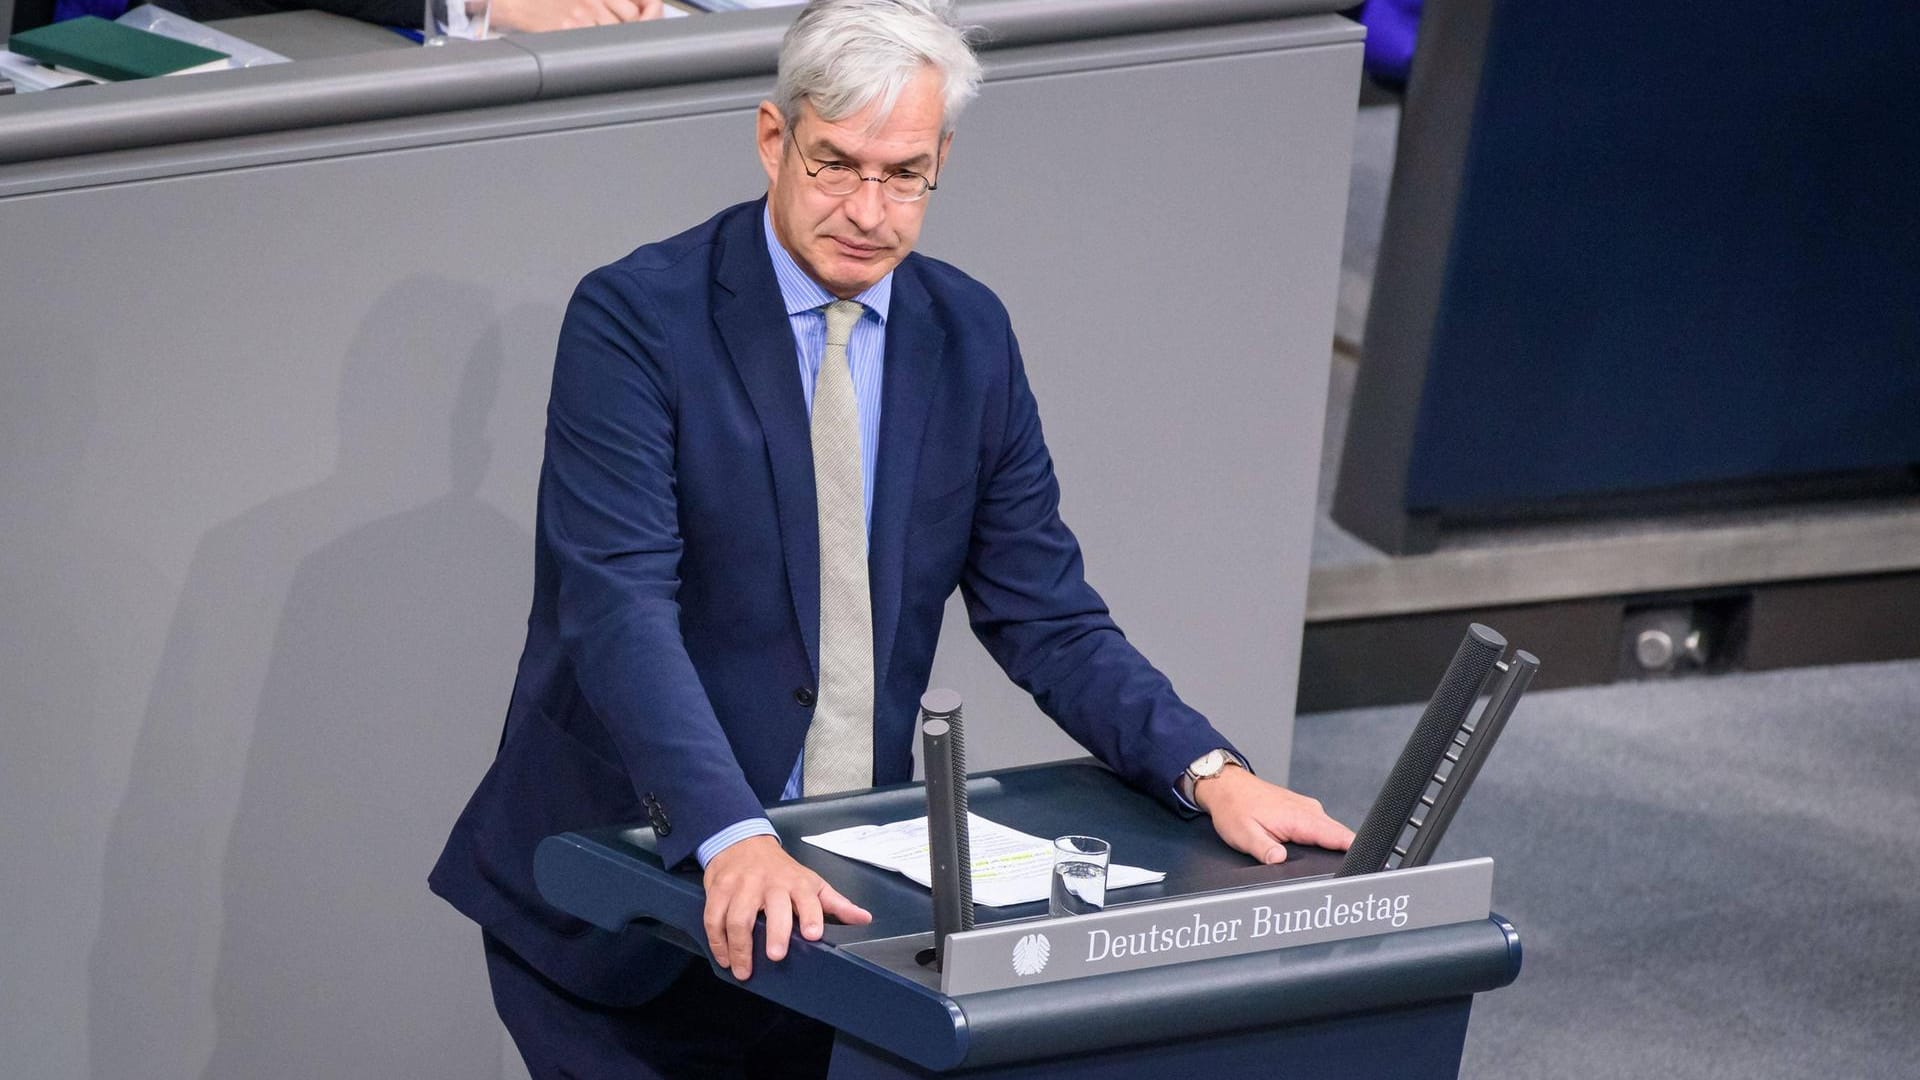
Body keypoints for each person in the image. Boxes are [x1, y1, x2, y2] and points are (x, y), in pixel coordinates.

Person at [429, 1, 1355, 1075]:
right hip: (633, 897)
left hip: (841, 910)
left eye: (904, 173)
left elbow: (1045, 613)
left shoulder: (969, 336)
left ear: (942, 161)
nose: (868, 209)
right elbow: (618, 608)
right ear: (775, 138)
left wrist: (1208, 771)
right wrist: (734, 837)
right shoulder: (637, 320)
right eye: (836, 165)